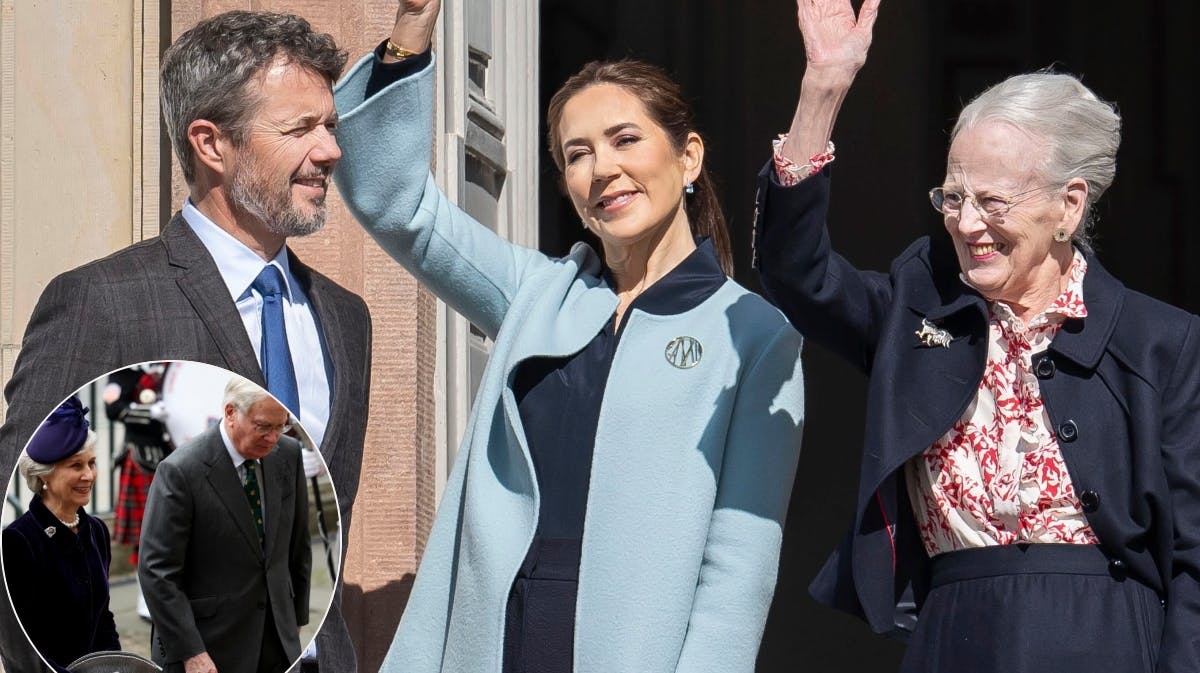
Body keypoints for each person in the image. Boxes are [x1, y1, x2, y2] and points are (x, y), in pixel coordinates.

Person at [329, 2, 806, 672]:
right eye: (576, 154)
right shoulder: (535, 291)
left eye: (625, 140)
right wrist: (408, 36)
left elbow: (738, 571)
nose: (602, 169)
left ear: (688, 155)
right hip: (498, 639)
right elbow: (394, 205)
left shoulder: (754, 336)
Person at [753, 1, 1200, 671]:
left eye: (994, 201)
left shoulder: (1159, 341)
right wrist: (822, 90)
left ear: (1068, 205)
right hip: (955, 631)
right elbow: (796, 273)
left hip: (1108, 636)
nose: (966, 223)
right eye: (953, 197)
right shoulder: (918, 305)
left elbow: (1195, 555)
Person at [0, 11, 371, 673]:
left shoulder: (347, 321)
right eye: (299, 129)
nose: (330, 150)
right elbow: (13, 538)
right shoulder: (101, 299)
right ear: (210, 143)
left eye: (330, 126)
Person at [138, 375, 311, 673]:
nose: (273, 437)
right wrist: (191, 651)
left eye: (281, 426)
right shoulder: (180, 471)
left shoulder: (288, 455)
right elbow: (157, 571)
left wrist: (294, 621)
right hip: (209, 648)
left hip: (277, 643)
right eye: (263, 427)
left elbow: (297, 546)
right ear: (231, 413)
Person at [2, 397, 120, 672]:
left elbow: (103, 616)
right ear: (44, 475)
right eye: (75, 466)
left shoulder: (97, 531)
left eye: (91, 463)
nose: (89, 475)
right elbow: (23, 645)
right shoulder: (18, 542)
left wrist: (116, 666)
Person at [104, 362, 173, 621]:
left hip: (179, 455)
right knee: (145, 537)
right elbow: (111, 408)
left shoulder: (176, 367)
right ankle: (145, 599)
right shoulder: (125, 370)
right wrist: (147, 412)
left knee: (176, 534)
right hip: (142, 459)